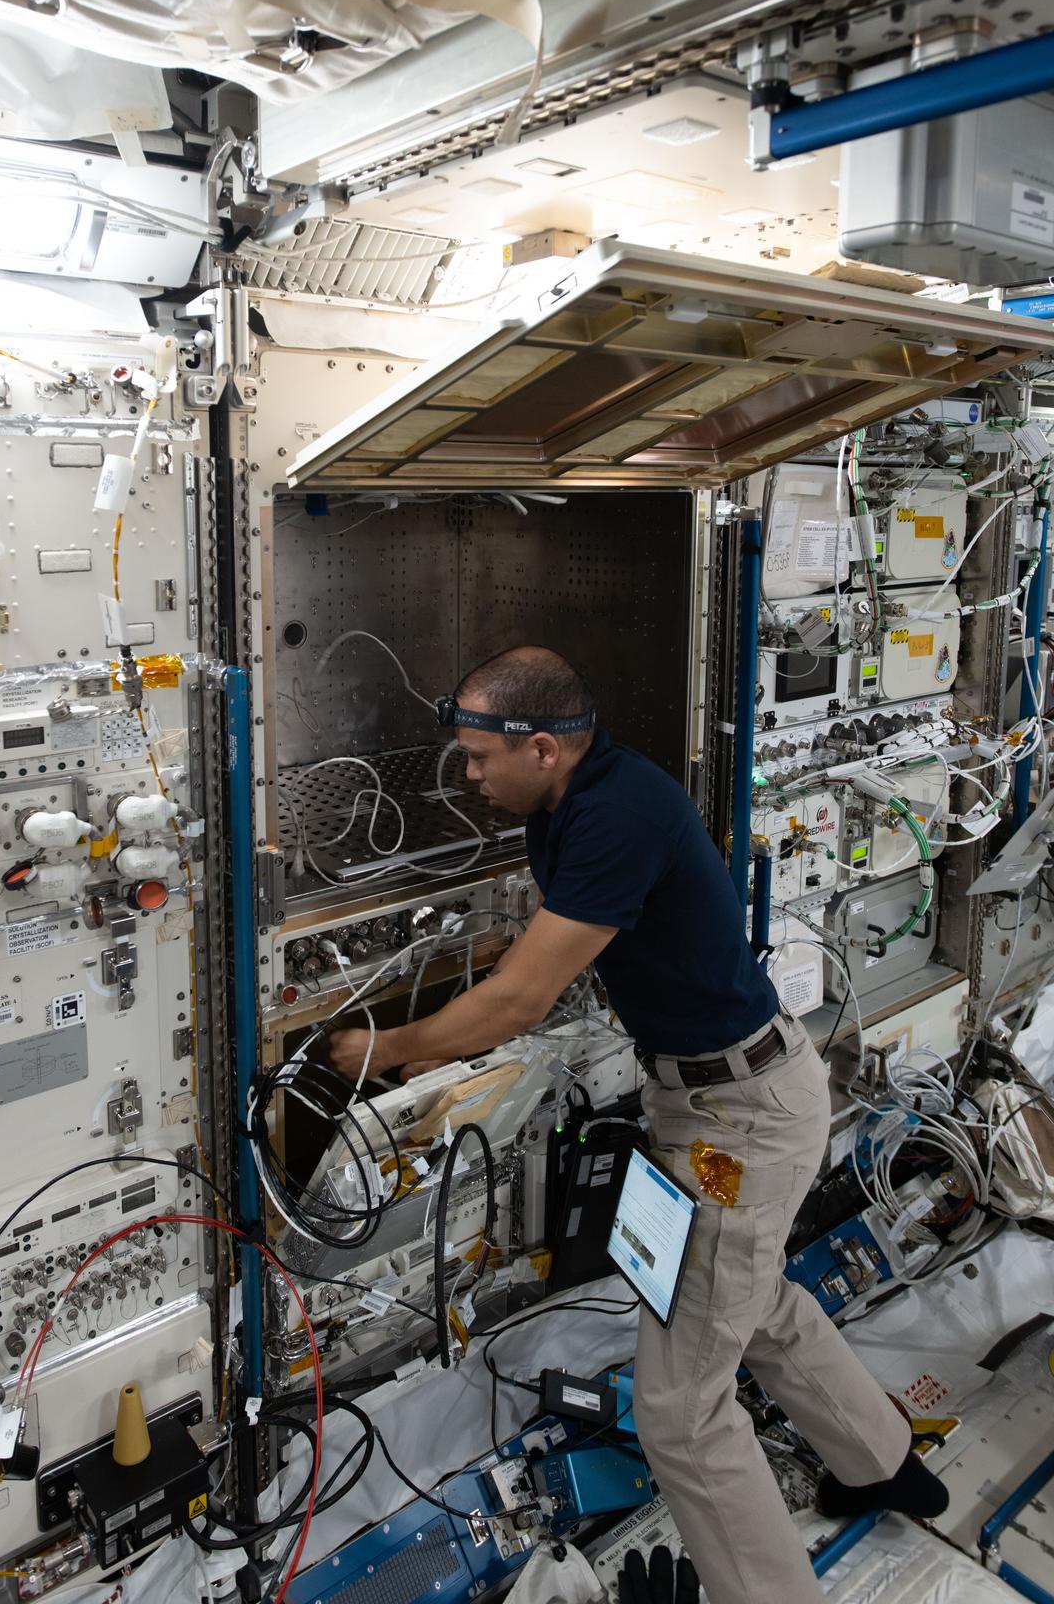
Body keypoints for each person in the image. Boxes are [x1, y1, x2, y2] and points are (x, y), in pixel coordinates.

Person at [328, 646, 947, 1604]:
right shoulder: (575, 801)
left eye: (480, 759)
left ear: (542, 748)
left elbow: (522, 1002)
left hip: (742, 1115)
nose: (470, 777)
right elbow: (564, 936)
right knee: (748, 1301)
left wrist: (391, 1049)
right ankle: (884, 1463)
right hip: (700, 1105)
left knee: (680, 1415)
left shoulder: (614, 812)